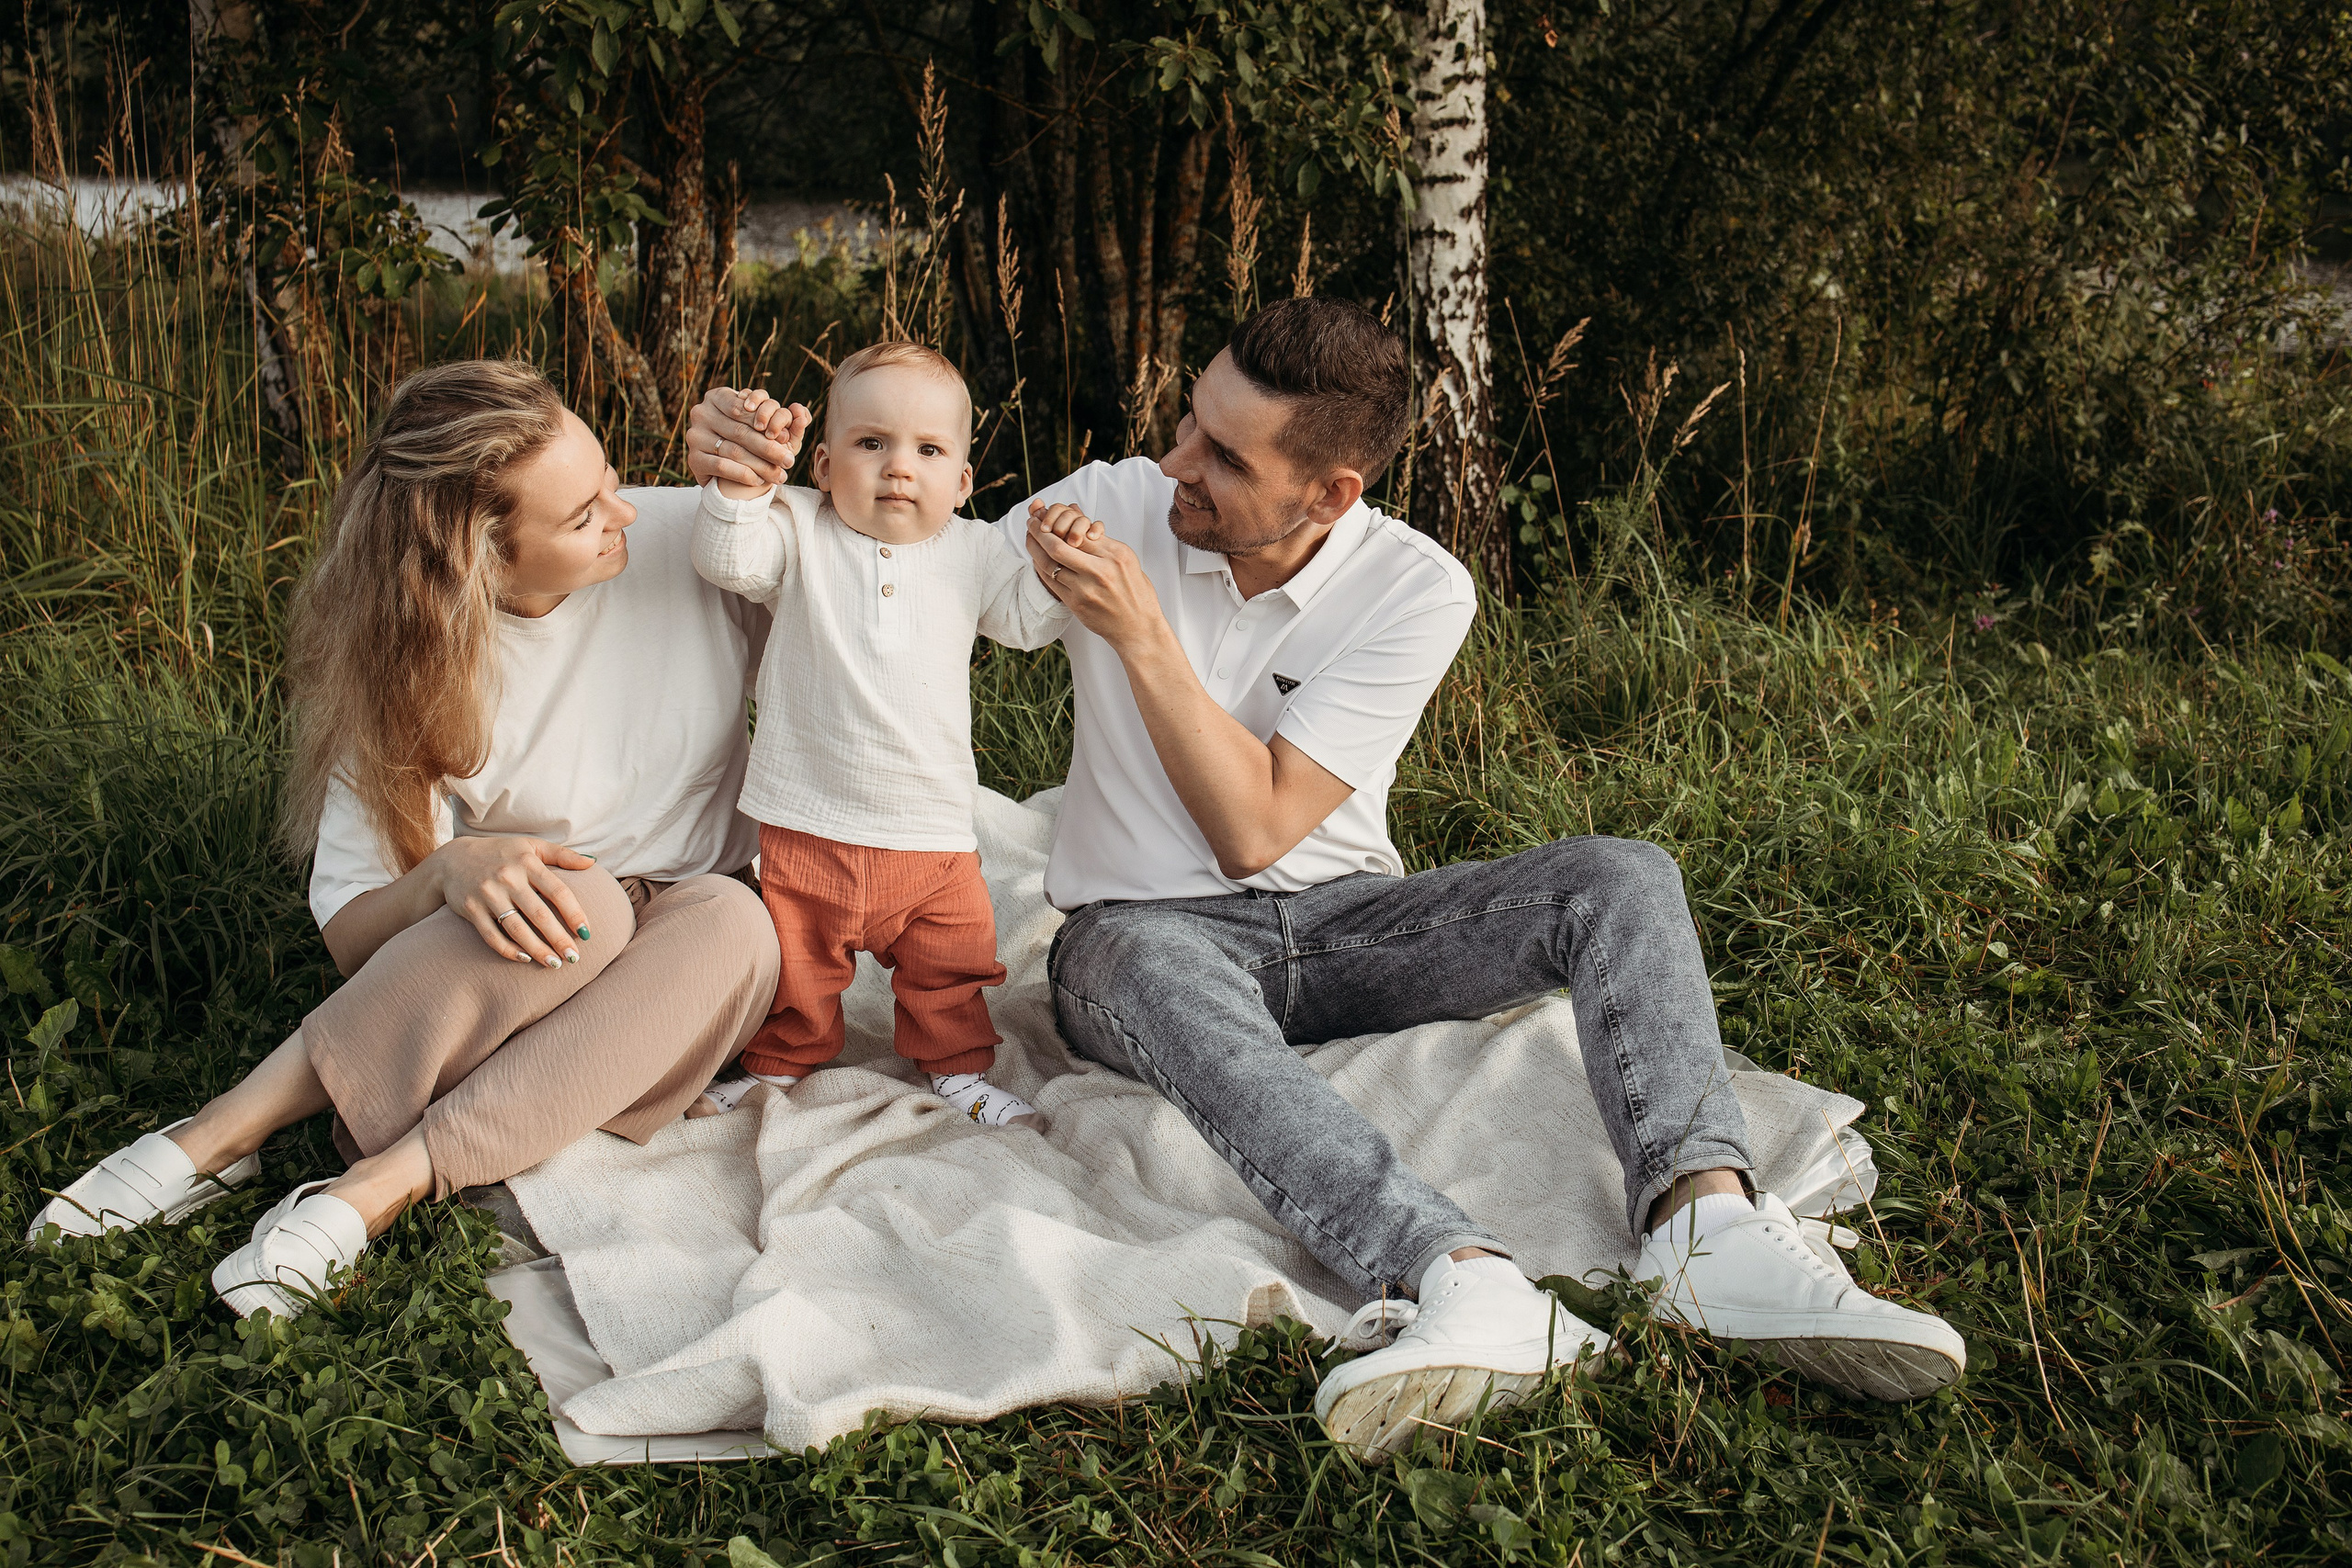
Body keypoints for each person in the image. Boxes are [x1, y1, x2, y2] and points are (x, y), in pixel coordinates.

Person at [686, 298, 1965, 1458]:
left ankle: (1707, 1229)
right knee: (1122, 952)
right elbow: (895, 558)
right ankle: (1458, 1274)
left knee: (1621, 874)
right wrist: (737, 475)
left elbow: (1261, 829)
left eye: (1226, 457)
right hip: (1144, 936)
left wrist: (1139, 632)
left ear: (1329, 488)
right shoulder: (1116, 499)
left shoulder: (1417, 584)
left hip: (1346, 922)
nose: (1177, 461)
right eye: (1191, 420)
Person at [28, 359, 781, 1320]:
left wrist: (747, 442)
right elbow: (352, 936)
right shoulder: (418, 658)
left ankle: (374, 1188)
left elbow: (872, 550)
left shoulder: (692, 538)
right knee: (579, 895)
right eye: (583, 514)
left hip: (680, 960)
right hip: (536, 956)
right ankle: (220, 1137)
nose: (625, 514)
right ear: (482, 560)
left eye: (609, 482)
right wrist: (448, 873)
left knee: (737, 922)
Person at [687, 343, 1096, 1126]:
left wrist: (1060, 565)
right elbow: (727, 560)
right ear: (823, 464)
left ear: (964, 481)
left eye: (929, 450)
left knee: (952, 962)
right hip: (810, 819)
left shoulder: (974, 551)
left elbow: (1022, 622)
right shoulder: (798, 529)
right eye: (871, 443)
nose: (898, 467)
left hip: (931, 830)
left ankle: (958, 1069)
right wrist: (741, 489)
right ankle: (781, 1061)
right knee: (795, 966)